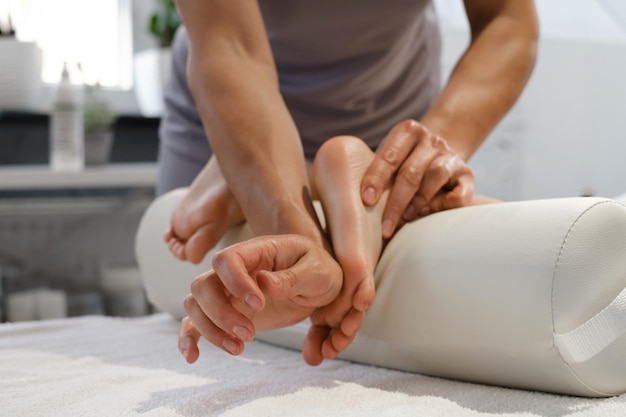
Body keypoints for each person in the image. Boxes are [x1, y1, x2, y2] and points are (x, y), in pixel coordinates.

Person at [159, 1, 539, 363]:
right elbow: (230, 46)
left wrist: (409, 168)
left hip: (391, 118)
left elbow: (506, 19)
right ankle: (271, 182)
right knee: (187, 265)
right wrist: (295, 242)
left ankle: (331, 184)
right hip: (234, 124)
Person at [177, 135, 498, 365]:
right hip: (231, 130)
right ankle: (376, 202)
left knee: (189, 225)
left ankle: (247, 181)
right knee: (482, 216)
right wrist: (416, 186)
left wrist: (416, 165)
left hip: (389, 137)